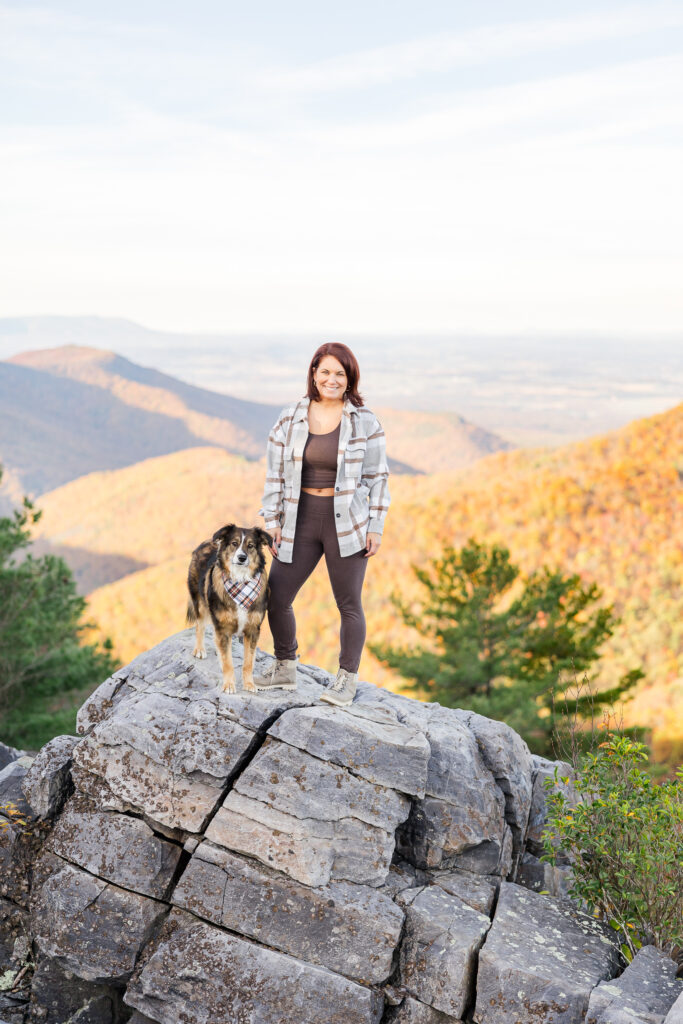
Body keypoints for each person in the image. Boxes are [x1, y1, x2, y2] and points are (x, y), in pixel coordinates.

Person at [255, 342, 390, 706]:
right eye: (325, 371)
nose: (332, 380)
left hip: (347, 523)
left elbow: (378, 477)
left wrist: (375, 526)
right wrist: (272, 519)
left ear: (350, 379)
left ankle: (346, 679)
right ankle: (285, 666)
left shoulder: (365, 422)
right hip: (299, 520)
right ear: (314, 374)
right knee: (276, 596)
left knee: (348, 604)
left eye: (340, 374)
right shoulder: (290, 417)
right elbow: (274, 473)